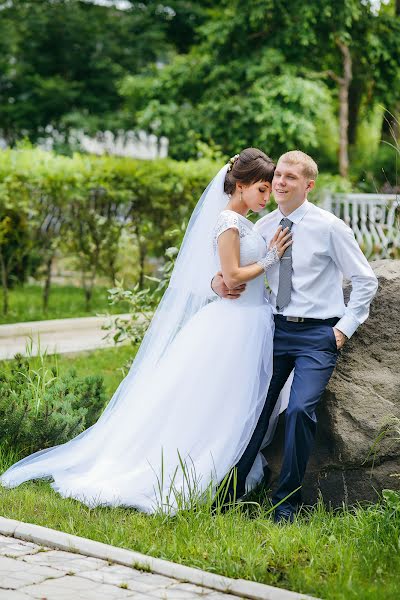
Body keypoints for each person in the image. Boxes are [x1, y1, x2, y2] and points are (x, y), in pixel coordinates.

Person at [0, 148, 291, 514]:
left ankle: (232, 467)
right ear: (242, 185)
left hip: (250, 320)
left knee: (229, 401)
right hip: (234, 326)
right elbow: (232, 275)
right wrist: (269, 259)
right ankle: (198, 466)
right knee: (218, 401)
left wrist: (224, 279)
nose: (267, 196)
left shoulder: (245, 222)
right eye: (262, 189)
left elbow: (221, 277)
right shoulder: (229, 223)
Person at [212, 150, 379, 523]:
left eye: (290, 177)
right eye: (278, 176)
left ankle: (286, 501)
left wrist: (342, 330)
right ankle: (229, 493)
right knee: (253, 409)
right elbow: (234, 265)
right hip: (273, 330)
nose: (281, 183)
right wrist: (217, 283)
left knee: (301, 410)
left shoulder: (331, 227)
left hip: (318, 334)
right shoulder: (264, 224)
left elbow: (366, 280)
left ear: (309, 184)